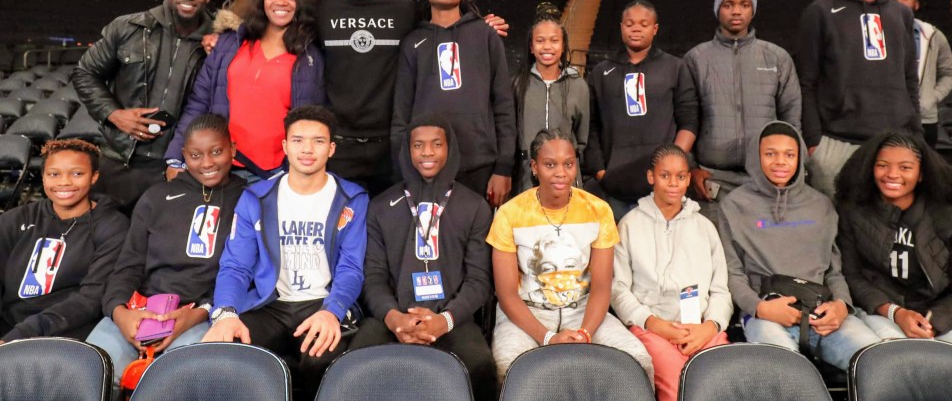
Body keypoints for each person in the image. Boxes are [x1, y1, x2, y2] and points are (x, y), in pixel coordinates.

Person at [320, 0, 509, 198]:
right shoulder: (321, 8)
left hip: (394, 150)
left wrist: (481, 25)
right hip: (343, 146)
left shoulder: (402, 10)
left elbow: (446, 21)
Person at [202, 106, 368, 397]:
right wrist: (226, 312)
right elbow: (235, 266)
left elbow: (351, 268)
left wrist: (333, 311)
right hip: (271, 305)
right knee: (228, 353)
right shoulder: (257, 196)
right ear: (285, 146)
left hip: (321, 303)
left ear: (331, 149)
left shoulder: (352, 198)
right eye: (298, 140)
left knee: (322, 362)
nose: (307, 149)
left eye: (318, 141)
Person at [85, 114, 247, 398]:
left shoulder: (248, 199)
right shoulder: (157, 196)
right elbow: (127, 266)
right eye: (196, 155)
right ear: (184, 155)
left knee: (174, 384)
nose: (207, 163)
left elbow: (242, 273)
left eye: (217, 152)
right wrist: (120, 313)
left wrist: (195, 315)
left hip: (202, 313)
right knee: (91, 374)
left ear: (233, 148)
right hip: (142, 310)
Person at [487, 129, 653, 384]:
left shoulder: (598, 210)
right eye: (550, 165)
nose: (560, 173)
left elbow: (600, 287)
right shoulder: (510, 214)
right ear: (534, 167)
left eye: (568, 164)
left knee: (637, 360)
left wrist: (585, 333)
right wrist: (547, 338)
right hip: (527, 313)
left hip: (583, 311)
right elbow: (507, 294)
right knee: (508, 367)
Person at [350, 114, 495, 401]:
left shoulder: (475, 206)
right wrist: (395, 319)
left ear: (449, 148)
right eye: (418, 145)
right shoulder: (380, 206)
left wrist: (445, 321)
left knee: (481, 365)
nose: (427, 152)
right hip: (391, 317)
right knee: (354, 363)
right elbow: (373, 277)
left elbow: (479, 280)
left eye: (436, 144)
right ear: (407, 150)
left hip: (452, 318)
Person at [718, 121, 879, 371]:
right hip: (766, 313)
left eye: (789, 154)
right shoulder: (734, 205)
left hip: (822, 312)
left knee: (878, 362)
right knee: (787, 372)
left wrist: (841, 305)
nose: (780, 161)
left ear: (800, 158)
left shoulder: (822, 205)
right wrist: (760, 308)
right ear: (755, 157)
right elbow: (732, 272)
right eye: (770, 153)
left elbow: (833, 271)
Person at [72, 0, 214, 207]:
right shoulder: (127, 27)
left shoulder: (220, 42)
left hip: (175, 168)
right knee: (107, 238)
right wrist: (114, 114)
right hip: (118, 160)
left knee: (158, 244)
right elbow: (85, 73)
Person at [167, 0, 325, 180]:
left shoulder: (310, 57)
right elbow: (198, 103)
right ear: (261, 0)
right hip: (218, 168)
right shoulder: (230, 43)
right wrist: (176, 156)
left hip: (272, 176)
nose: (281, 2)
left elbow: (310, 125)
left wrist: (290, 173)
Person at [796, 0, 920, 198]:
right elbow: (807, 81)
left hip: (894, 141)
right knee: (837, 227)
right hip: (837, 142)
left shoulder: (902, 14)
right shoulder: (820, 11)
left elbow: (910, 78)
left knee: (887, 227)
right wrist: (814, 142)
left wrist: (916, 133)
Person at [835, 132, 952, 348]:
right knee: (895, 352)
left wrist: (933, 323)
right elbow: (852, 276)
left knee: (951, 356)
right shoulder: (853, 213)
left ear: (921, 174)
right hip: (881, 311)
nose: (892, 174)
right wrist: (896, 313)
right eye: (882, 165)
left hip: (937, 314)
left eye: (905, 167)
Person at [611, 145, 732, 401]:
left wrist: (710, 327)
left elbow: (720, 290)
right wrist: (654, 324)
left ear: (688, 179)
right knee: (678, 387)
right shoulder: (629, 225)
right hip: (653, 329)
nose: (673, 183)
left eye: (680, 176)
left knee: (721, 384)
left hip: (701, 329)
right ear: (651, 177)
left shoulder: (705, 227)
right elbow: (618, 289)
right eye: (665, 175)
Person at [392, 0, 516, 207]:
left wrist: (504, 167)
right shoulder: (412, 41)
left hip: (480, 164)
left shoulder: (486, 35)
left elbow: (503, 104)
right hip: (426, 166)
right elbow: (401, 111)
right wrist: (402, 168)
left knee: (477, 242)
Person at [684, 0, 800, 222]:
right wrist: (691, 167)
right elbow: (685, 119)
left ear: (753, 10)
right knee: (719, 256)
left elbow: (791, 117)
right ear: (718, 10)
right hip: (712, 179)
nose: (736, 11)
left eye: (744, 4)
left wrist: (792, 167)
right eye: (728, 4)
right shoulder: (696, 58)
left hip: (765, 178)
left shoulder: (777, 58)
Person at [0, 140, 128, 343]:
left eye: (77, 174)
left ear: (94, 177)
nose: (64, 182)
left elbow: (90, 299)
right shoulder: (16, 219)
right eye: (54, 174)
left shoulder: (113, 226)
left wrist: (21, 335)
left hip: (65, 332)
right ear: (43, 177)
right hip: (9, 325)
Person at [585, 0, 698, 221]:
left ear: (655, 28)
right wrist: (601, 171)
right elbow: (592, 126)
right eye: (629, 24)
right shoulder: (601, 71)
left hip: (662, 187)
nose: (636, 28)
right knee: (619, 253)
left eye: (643, 24)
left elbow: (689, 120)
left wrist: (672, 167)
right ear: (621, 27)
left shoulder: (675, 67)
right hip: (615, 184)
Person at [513, 3, 589, 192]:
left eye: (554, 40)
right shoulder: (516, 85)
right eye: (540, 41)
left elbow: (582, 138)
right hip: (524, 179)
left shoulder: (578, 86)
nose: (547, 46)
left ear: (563, 46)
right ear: (531, 47)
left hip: (566, 179)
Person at [888, 0, 952, 146]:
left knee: (923, 167)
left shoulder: (933, 35)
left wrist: (932, 98)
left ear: (916, 5)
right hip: (884, 117)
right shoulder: (872, 34)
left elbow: (949, 73)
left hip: (924, 118)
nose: (898, 2)